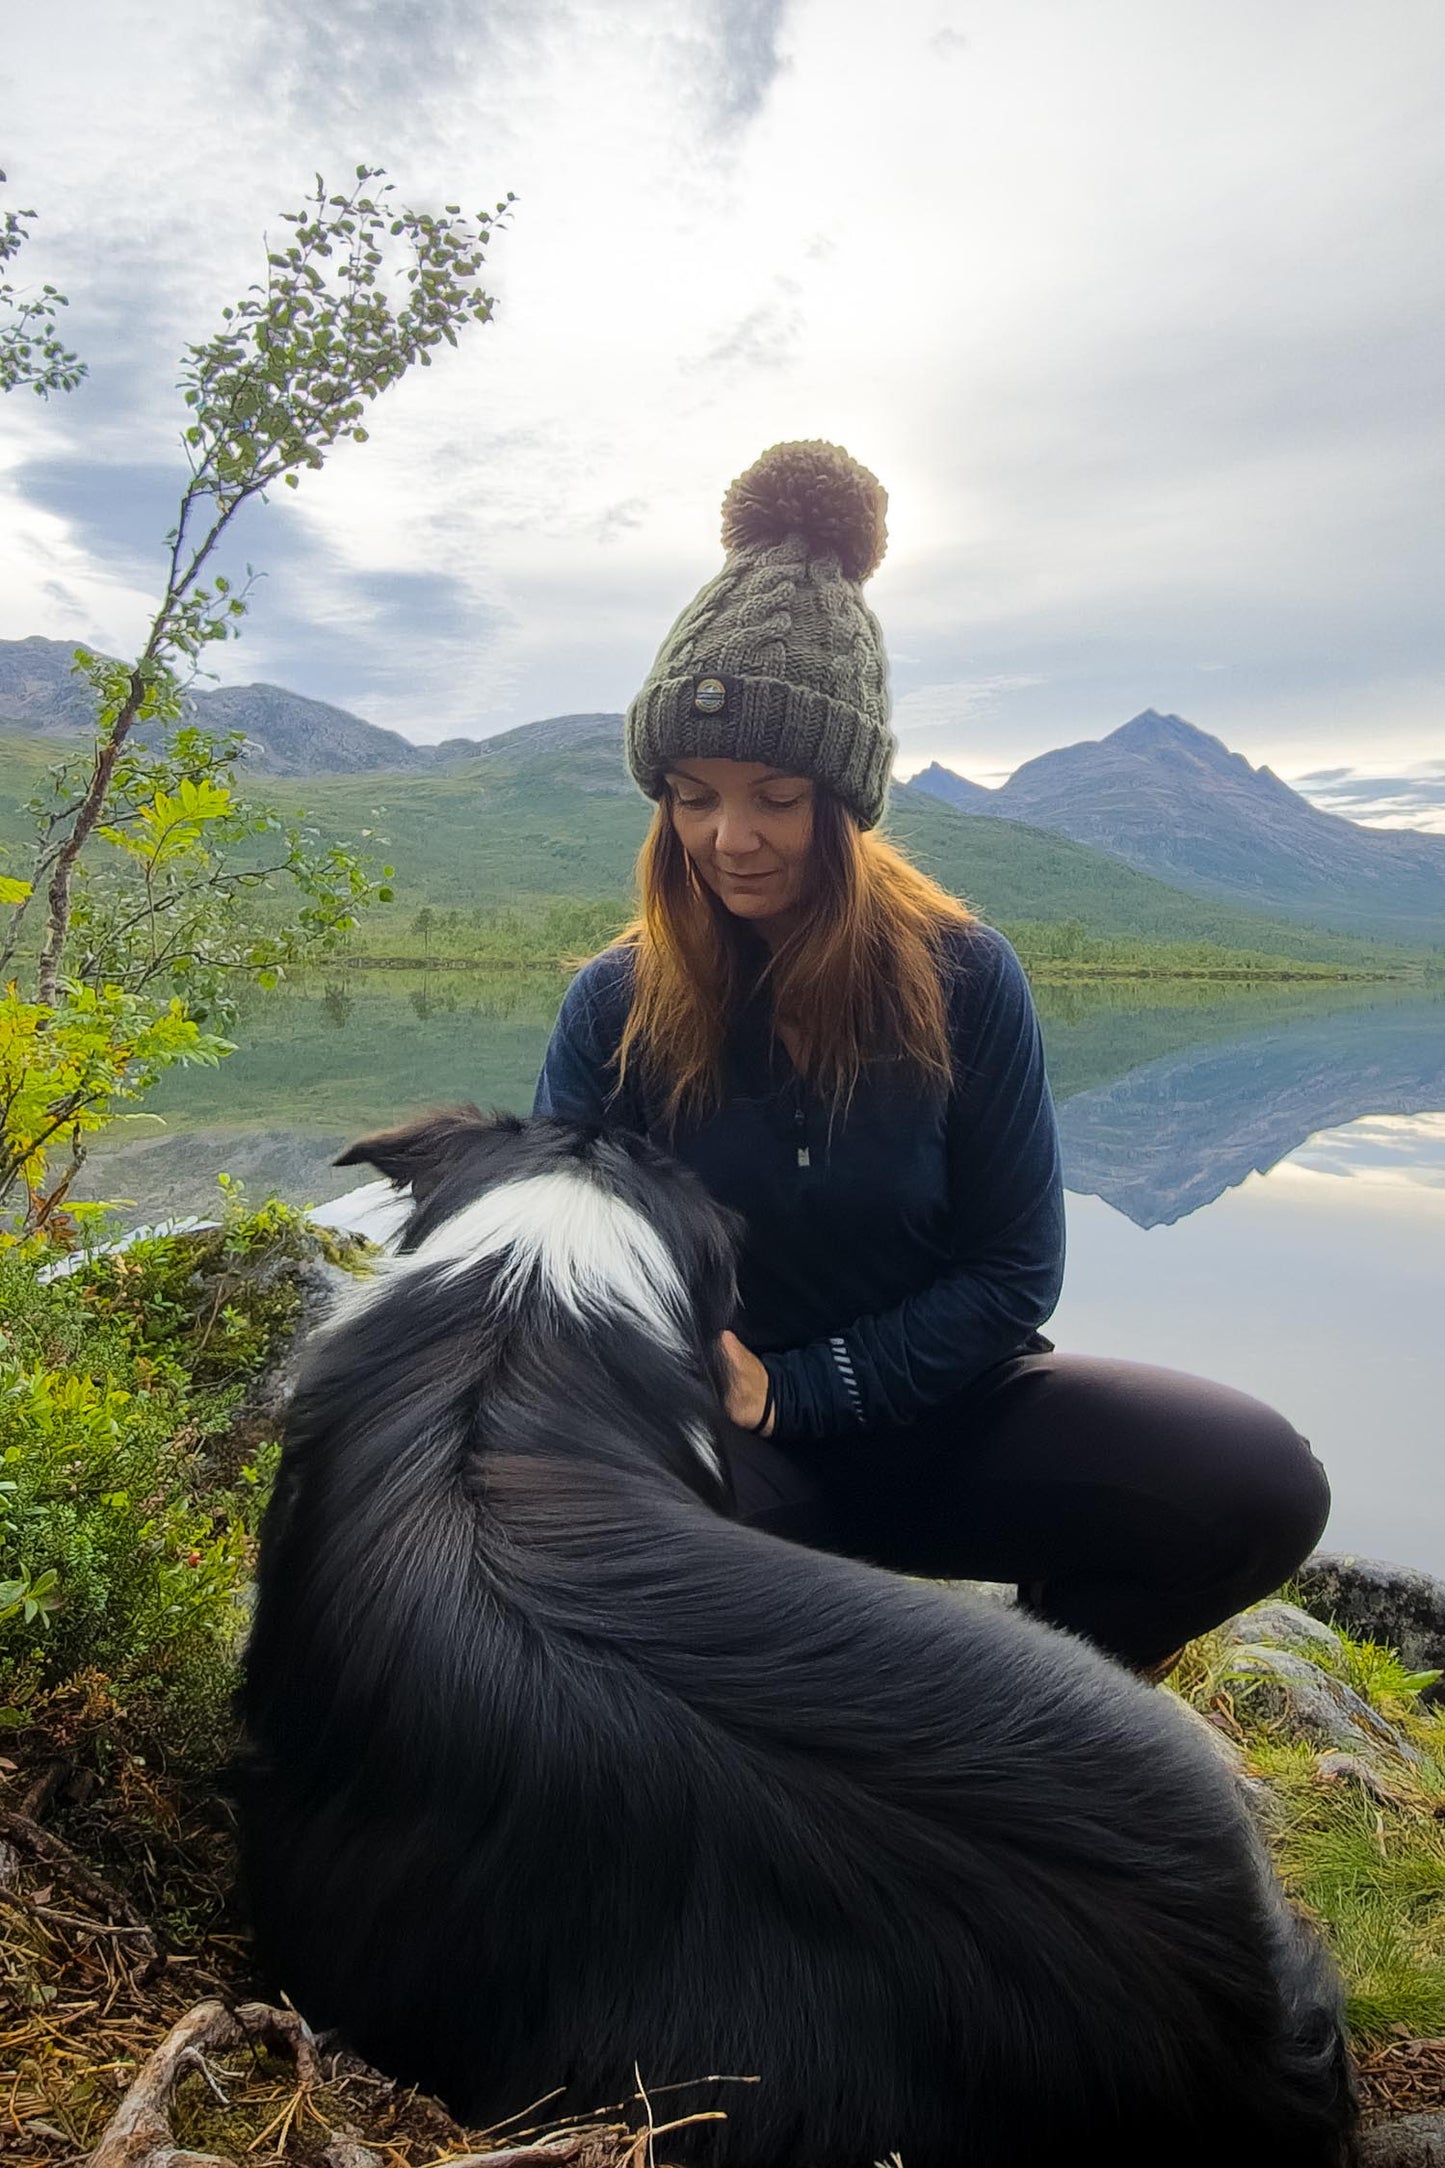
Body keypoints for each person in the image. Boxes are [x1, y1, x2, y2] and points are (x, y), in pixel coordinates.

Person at [533, 438, 1330, 1677]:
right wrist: (695, 1393)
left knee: (1254, 1480)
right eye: (690, 794)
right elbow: (555, 1266)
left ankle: (1044, 1719)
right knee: (576, 1525)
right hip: (721, 1451)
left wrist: (800, 1387)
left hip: (945, 1420)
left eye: (776, 796)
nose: (727, 838)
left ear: (844, 804)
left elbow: (1012, 1272)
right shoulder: (613, 1006)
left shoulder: (965, 977)